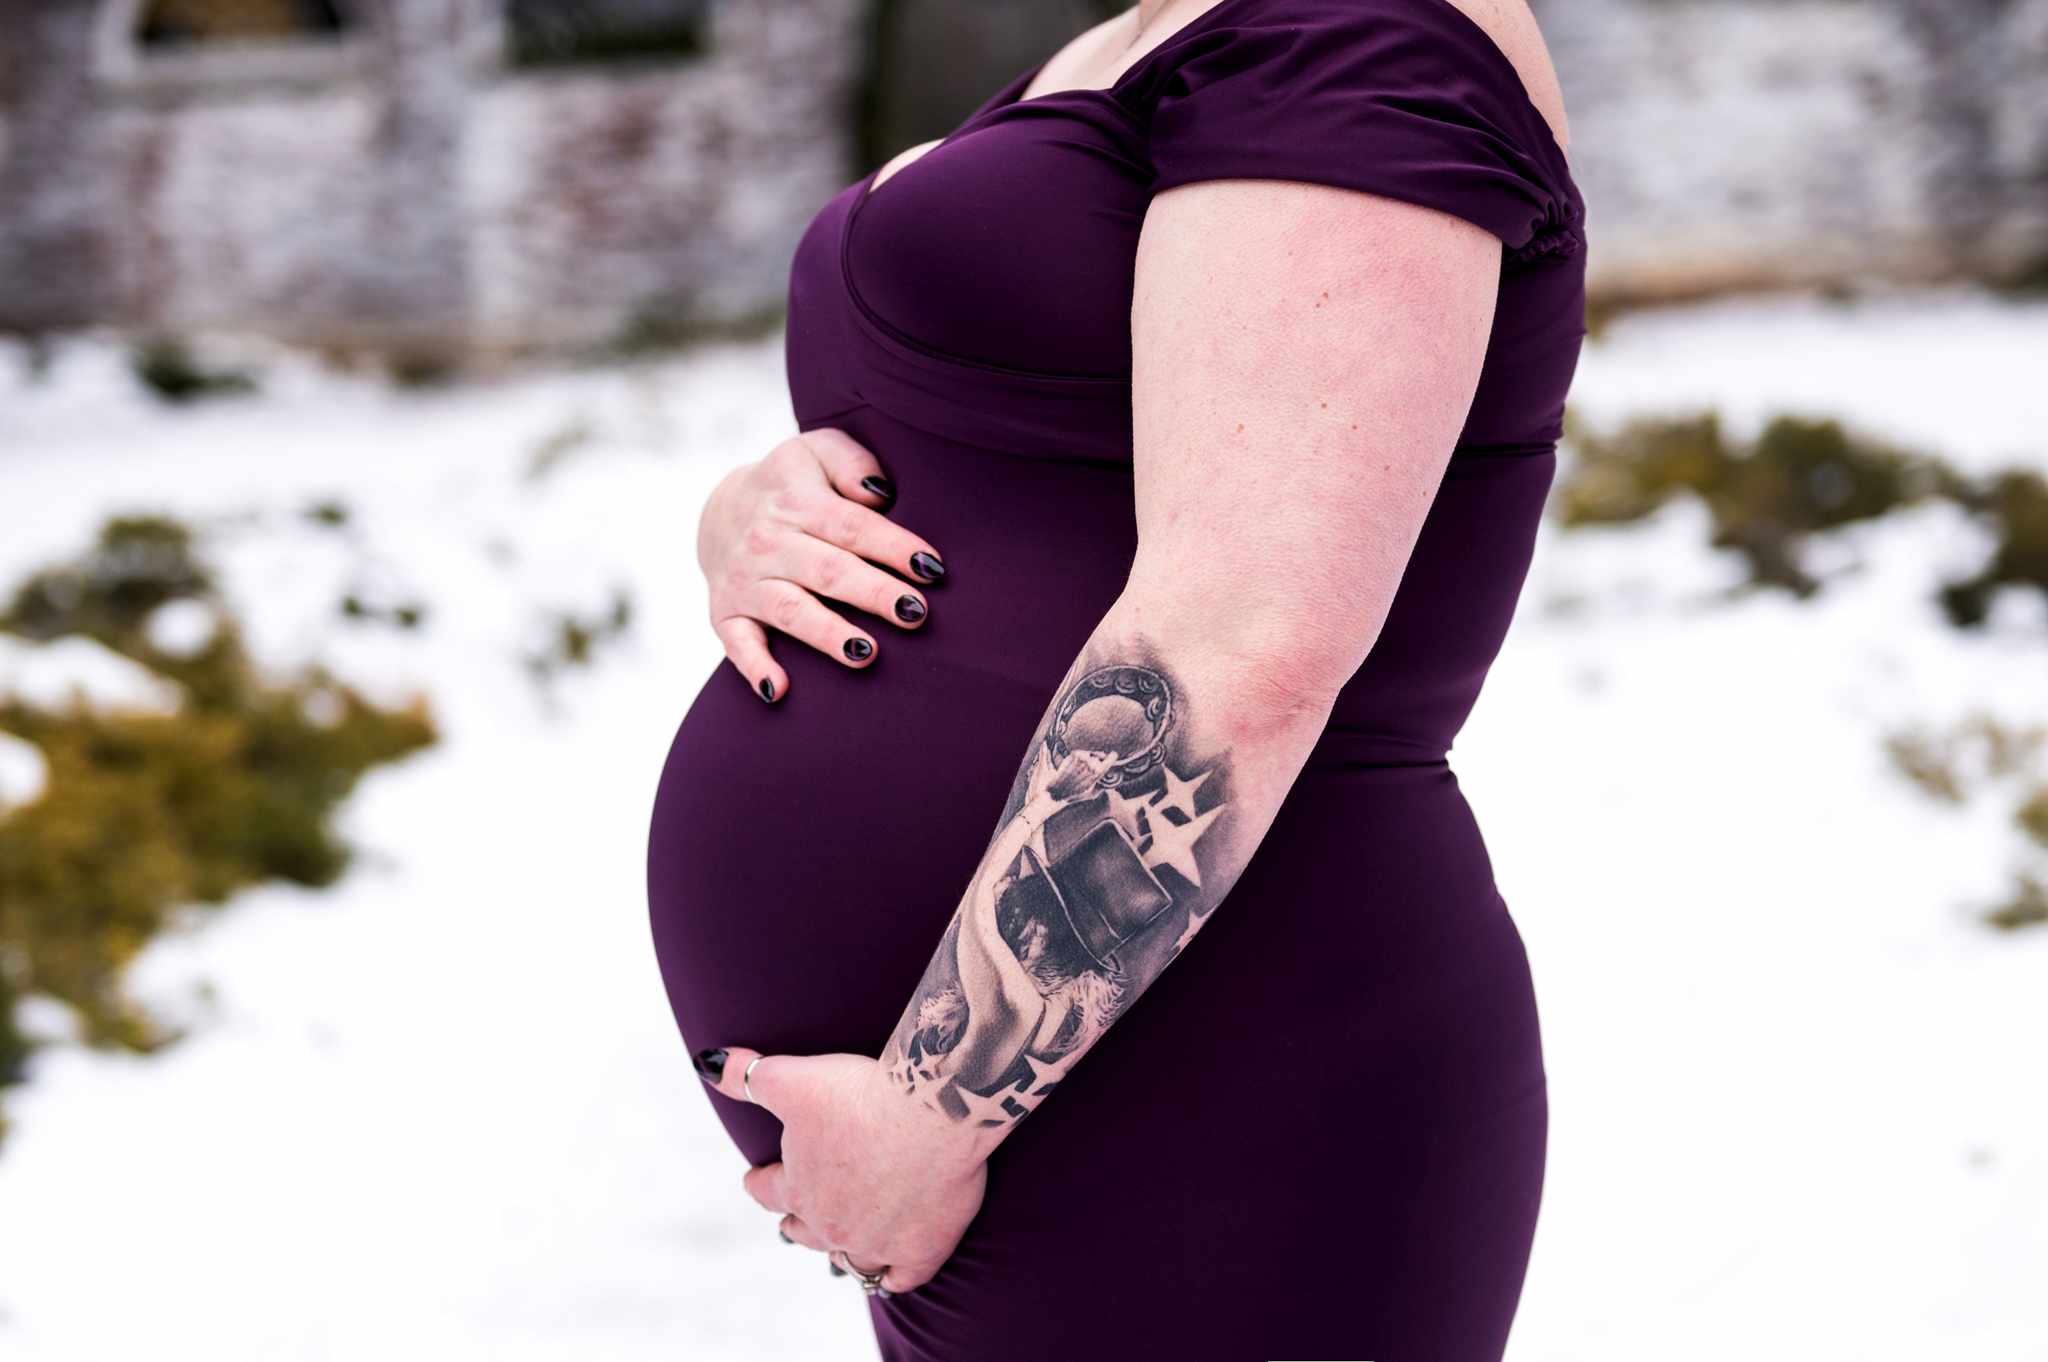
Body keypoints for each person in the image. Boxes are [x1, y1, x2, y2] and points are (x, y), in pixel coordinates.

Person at [647, 0, 1582, 1355]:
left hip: (1219, 1081)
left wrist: (927, 1115)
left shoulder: (1353, 29)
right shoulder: (1137, 35)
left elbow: (1250, 633)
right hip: (1036, 1119)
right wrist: (749, 515)